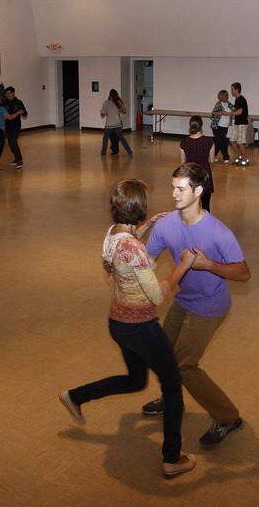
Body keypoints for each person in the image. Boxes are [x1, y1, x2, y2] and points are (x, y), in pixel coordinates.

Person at [58, 179, 197, 478]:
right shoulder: (132, 250)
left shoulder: (112, 235)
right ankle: (172, 457)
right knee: (172, 385)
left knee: (136, 381)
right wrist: (183, 265)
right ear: (138, 208)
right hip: (140, 326)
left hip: (118, 322)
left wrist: (146, 225)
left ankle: (76, 396)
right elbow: (157, 295)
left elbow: (114, 263)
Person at [142, 163, 251, 446]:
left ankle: (228, 417)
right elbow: (146, 261)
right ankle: (171, 398)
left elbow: (243, 273)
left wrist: (209, 265)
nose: (174, 195)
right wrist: (139, 230)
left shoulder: (218, 233)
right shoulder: (166, 224)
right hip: (184, 299)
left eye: (181, 189)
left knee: (185, 366)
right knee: (165, 353)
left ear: (198, 191)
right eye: (172, 188)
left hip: (211, 305)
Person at [179, 116, 215, 211]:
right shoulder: (209, 141)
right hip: (204, 174)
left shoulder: (184, 142)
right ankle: (205, 224)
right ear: (201, 126)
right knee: (206, 205)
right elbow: (212, 160)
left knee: (189, 204)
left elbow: (182, 162)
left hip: (190, 175)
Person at [100, 89, 133, 156]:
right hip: (118, 124)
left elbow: (102, 115)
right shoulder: (119, 102)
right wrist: (118, 111)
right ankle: (130, 152)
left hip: (109, 125)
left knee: (105, 139)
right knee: (122, 138)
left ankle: (103, 153)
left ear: (110, 95)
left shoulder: (106, 103)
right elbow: (124, 111)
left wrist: (104, 112)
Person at [225, 83, 252, 166]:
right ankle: (238, 156)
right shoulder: (237, 99)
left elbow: (239, 112)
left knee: (240, 142)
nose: (231, 91)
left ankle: (245, 160)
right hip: (237, 123)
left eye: (232, 89)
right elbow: (236, 111)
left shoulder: (241, 99)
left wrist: (228, 114)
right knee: (232, 140)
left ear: (237, 90)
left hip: (242, 123)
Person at [3, 86, 27, 169]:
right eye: (6, 94)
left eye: (9, 93)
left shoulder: (19, 102)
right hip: (7, 125)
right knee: (10, 142)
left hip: (16, 125)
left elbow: (25, 114)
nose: (7, 95)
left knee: (13, 141)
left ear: (13, 93)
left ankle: (19, 160)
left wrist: (21, 112)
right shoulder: (4, 102)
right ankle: (16, 158)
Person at [210, 90, 233, 164]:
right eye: (225, 95)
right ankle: (226, 157)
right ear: (221, 96)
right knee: (223, 141)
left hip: (225, 126)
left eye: (227, 95)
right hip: (217, 126)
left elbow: (234, 110)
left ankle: (213, 156)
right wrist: (222, 113)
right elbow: (213, 113)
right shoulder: (218, 104)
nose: (227, 96)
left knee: (218, 142)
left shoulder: (229, 104)